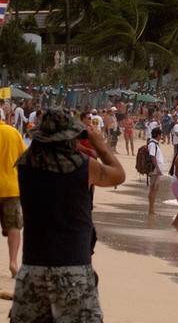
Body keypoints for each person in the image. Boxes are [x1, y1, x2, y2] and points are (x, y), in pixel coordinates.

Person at [12, 110, 124, 321]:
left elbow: (48, 159)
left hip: (33, 268)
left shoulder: (25, 166)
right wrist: (99, 145)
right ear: (71, 138)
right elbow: (119, 174)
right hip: (74, 269)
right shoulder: (84, 166)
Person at [0, 116, 26, 277]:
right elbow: (24, 158)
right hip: (11, 187)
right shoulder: (12, 132)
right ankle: (13, 262)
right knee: (14, 226)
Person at [146, 127, 165, 215]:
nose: (161, 136)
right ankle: (151, 210)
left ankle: (151, 209)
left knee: (153, 189)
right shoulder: (153, 144)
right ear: (157, 135)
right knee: (154, 189)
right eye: (160, 135)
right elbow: (152, 156)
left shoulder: (153, 143)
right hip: (154, 170)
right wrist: (157, 168)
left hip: (155, 169)